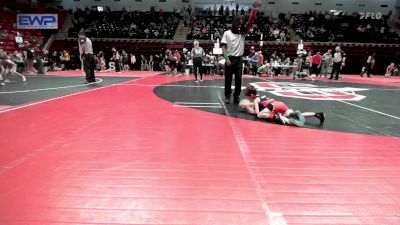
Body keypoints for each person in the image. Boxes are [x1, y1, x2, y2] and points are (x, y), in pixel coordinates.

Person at [221, 0, 260, 104]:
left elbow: (250, 22)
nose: (240, 26)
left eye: (241, 24)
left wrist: (254, 10)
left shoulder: (242, 33)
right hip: (229, 59)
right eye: (239, 24)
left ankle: (236, 96)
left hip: (239, 59)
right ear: (234, 23)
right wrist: (226, 58)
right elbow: (223, 47)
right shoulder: (227, 33)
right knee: (228, 79)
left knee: (238, 79)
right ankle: (227, 95)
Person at [239, 85, 325, 126]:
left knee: (259, 115)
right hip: (281, 104)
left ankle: (277, 117)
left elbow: (256, 113)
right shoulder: (261, 96)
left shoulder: (255, 100)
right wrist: (247, 105)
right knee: (293, 114)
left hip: (274, 107)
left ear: (251, 96)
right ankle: (316, 114)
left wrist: (247, 107)